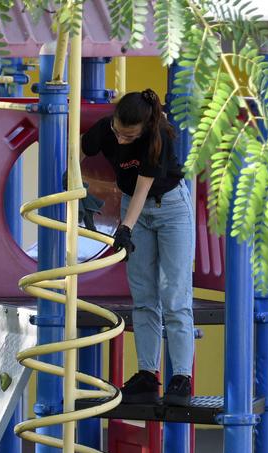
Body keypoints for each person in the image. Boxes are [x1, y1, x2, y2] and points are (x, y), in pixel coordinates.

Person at [80, 89, 194, 406]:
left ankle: (181, 378)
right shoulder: (108, 129)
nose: (119, 138)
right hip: (134, 206)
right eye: (117, 130)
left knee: (174, 295)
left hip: (170, 207)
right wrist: (74, 178)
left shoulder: (158, 137)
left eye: (128, 135)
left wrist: (124, 228)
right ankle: (147, 375)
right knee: (143, 295)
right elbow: (82, 148)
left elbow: (144, 188)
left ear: (144, 129)